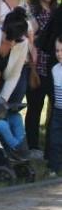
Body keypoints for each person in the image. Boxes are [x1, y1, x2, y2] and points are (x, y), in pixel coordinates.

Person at [25, 0, 56, 158]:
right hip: (36, 66)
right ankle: (33, 146)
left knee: (56, 108)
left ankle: (52, 147)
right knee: (34, 107)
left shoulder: (57, 11)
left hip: (54, 67)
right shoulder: (32, 11)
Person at [46, 37, 62, 178]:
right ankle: (54, 167)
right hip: (58, 110)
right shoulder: (55, 69)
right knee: (55, 138)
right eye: (57, 50)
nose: (59, 54)